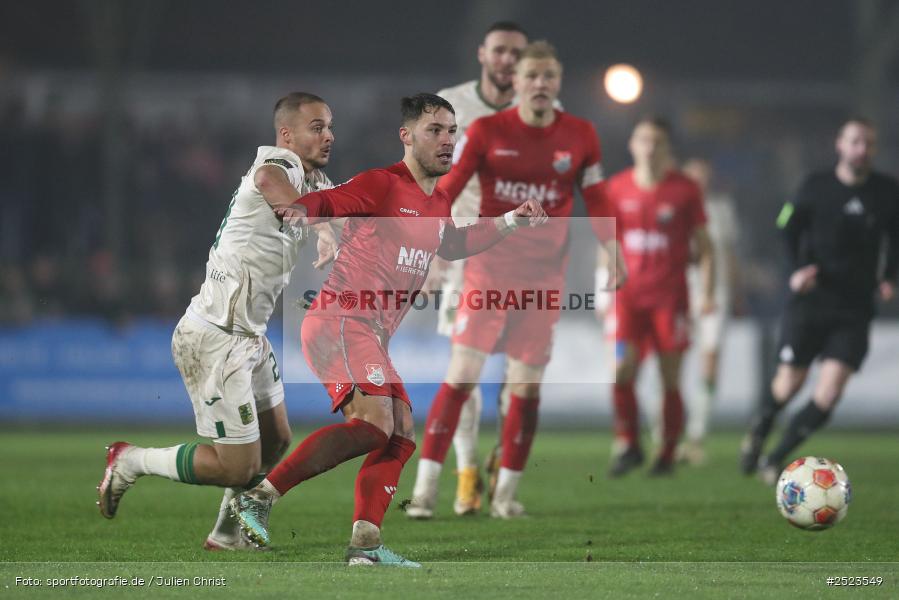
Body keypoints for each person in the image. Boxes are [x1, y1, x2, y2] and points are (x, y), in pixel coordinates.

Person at [229, 93, 547, 567]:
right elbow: (336, 200)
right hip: (341, 319)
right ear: (407, 136)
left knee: (399, 432)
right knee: (376, 423)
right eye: (434, 131)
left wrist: (507, 222)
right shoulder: (382, 184)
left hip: (369, 332)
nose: (446, 141)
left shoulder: (438, 200)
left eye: (451, 131)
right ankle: (259, 496)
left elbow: (453, 243)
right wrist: (305, 209)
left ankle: (366, 544)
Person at [97, 92, 339, 551]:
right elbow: (269, 181)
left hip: (248, 335)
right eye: (317, 126)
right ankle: (131, 461)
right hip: (215, 336)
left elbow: (352, 208)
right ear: (287, 134)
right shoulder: (278, 164)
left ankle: (227, 537)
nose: (328, 135)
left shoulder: (315, 181)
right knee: (236, 468)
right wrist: (323, 228)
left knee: (277, 439)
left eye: (329, 126)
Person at [407, 41, 625, 520]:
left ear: (558, 82)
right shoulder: (487, 130)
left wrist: (613, 249)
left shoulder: (581, 135)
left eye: (549, 76)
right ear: (518, 83)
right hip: (487, 270)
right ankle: (425, 491)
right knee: (461, 376)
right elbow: (448, 186)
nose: (540, 85)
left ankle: (505, 496)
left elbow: (598, 195)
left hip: (544, 280)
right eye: (532, 76)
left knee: (525, 388)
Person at [741, 118, 899, 484]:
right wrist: (796, 270)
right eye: (855, 141)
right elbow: (786, 225)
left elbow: (896, 237)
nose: (862, 149)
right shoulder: (815, 186)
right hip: (811, 302)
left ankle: (775, 458)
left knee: (828, 393)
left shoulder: (888, 192)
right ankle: (759, 431)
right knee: (789, 384)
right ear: (840, 145)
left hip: (854, 307)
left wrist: (889, 276)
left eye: (869, 143)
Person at [428, 20, 528, 517]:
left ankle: (502, 460)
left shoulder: (540, 111)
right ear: (482, 55)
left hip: (526, 259)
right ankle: (466, 473)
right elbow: (424, 176)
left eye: (517, 53)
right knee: (463, 373)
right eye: (501, 50)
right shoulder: (451, 105)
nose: (508, 60)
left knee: (520, 375)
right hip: (467, 252)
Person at [601, 117, 715, 477]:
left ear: (668, 149)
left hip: (671, 300)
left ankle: (667, 451)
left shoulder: (685, 190)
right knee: (621, 371)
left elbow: (705, 248)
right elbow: (608, 242)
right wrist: (604, 283)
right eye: (643, 140)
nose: (649, 148)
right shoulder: (616, 188)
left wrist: (707, 292)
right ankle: (629, 443)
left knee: (670, 378)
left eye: (657, 142)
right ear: (632, 145)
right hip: (628, 300)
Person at [678, 158, 741, 465]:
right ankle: (670, 432)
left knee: (710, 358)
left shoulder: (721, 209)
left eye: (704, 177)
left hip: (716, 295)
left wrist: (737, 292)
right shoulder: (674, 207)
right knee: (672, 359)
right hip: (679, 293)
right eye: (694, 176)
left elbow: (728, 254)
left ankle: (697, 434)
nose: (699, 182)